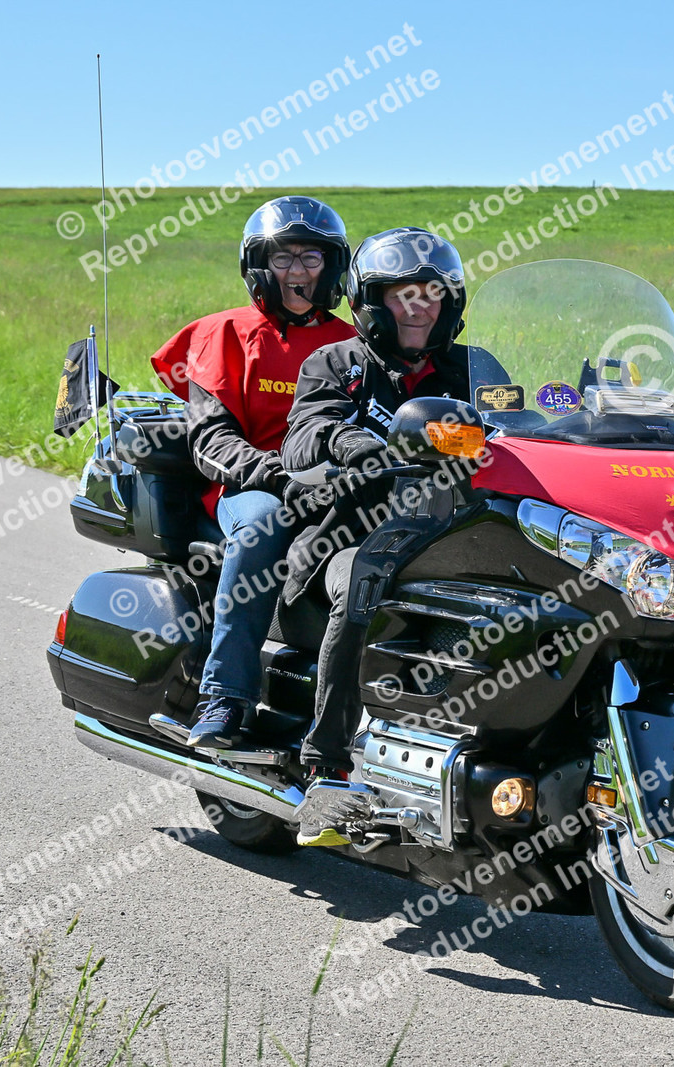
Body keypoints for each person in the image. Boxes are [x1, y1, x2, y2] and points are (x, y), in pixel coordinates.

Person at [278, 227, 472, 845]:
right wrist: (344, 439)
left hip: (448, 535)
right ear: (370, 302)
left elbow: (519, 426)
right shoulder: (336, 363)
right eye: (402, 294)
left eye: (432, 294)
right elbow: (300, 440)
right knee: (363, 577)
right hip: (348, 537)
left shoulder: (471, 371)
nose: (419, 308)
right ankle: (327, 769)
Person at [148, 196, 357, 748]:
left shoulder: (353, 343)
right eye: (283, 258)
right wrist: (278, 479)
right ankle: (225, 696)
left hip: (340, 483)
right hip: (251, 485)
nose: (297, 271)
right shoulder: (225, 333)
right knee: (264, 524)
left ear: (333, 266)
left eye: (311, 257)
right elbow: (210, 440)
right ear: (259, 267)